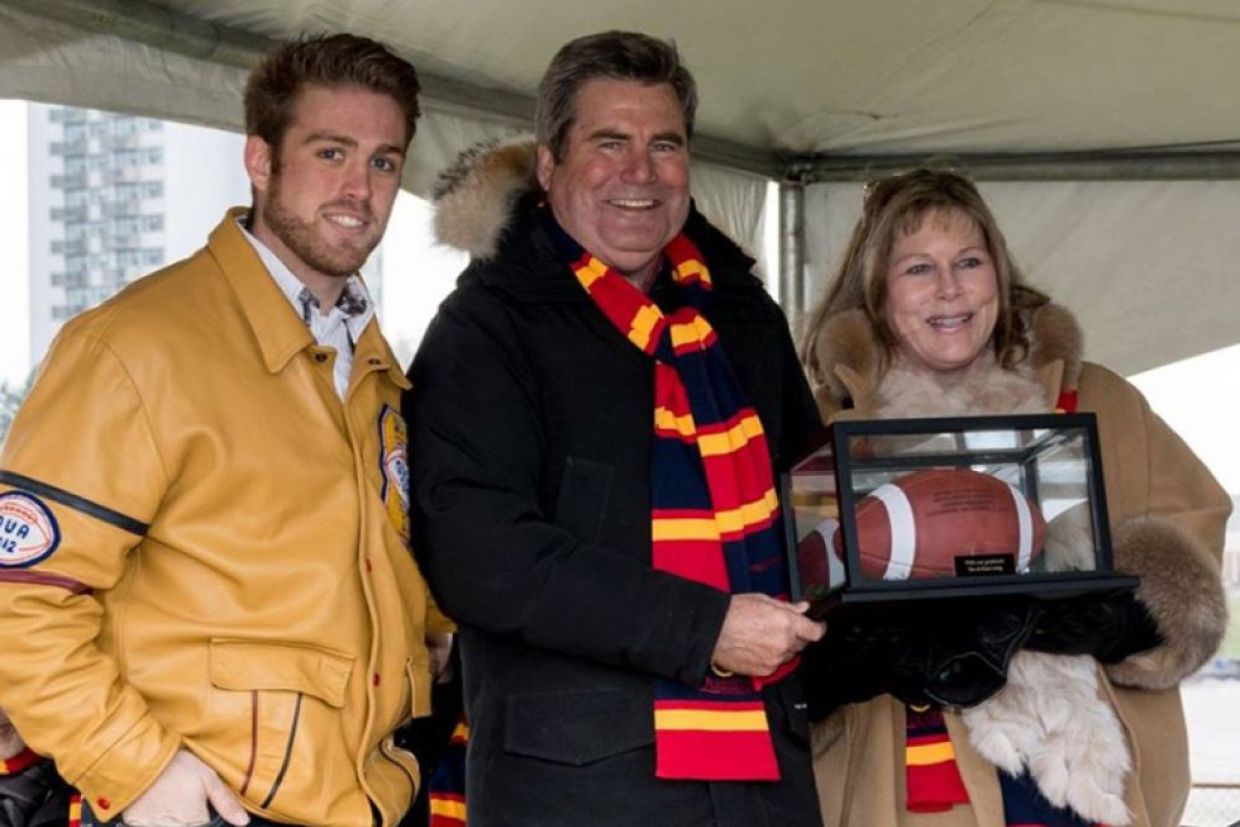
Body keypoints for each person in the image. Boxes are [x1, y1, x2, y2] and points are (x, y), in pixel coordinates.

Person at [0, 33, 451, 827]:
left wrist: (430, 627)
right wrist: (135, 769)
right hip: (206, 804)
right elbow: (20, 599)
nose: (359, 187)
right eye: (330, 152)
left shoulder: (371, 363)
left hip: (369, 797)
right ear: (260, 159)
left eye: (383, 162)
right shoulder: (138, 346)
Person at [408, 30, 826, 827]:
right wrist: (705, 628)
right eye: (609, 143)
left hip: (764, 778)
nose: (640, 172)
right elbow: (481, 559)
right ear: (548, 165)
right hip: (571, 793)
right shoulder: (485, 327)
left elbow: (815, 513)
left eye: (664, 145)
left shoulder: (743, 315)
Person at [797, 167, 1230, 827]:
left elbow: (1193, 537)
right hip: (918, 779)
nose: (949, 288)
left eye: (969, 262)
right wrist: (857, 650)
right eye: (919, 268)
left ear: (999, 275)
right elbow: (779, 604)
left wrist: (1122, 617)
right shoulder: (822, 424)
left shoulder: (1100, 400)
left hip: (1083, 772)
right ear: (877, 289)